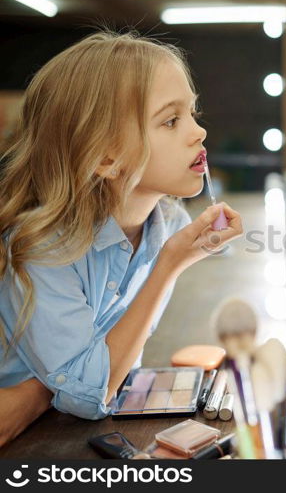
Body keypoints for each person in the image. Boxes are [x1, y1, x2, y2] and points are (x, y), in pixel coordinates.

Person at [0, 30, 242, 445]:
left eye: (192, 113)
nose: (198, 132)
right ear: (107, 158)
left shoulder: (164, 220)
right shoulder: (43, 247)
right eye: (171, 120)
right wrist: (171, 264)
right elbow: (87, 395)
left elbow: (115, 367)